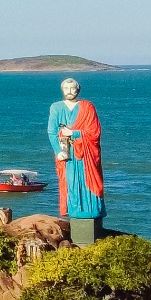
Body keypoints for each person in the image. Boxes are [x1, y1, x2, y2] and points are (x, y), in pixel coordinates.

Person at [46, 78, 105, 243]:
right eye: (66, 88)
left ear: (78, 90)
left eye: (73, 88)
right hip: (68, 155)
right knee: (71, 183)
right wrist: (58, 151)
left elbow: (94, 132)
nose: (70, 91)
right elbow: (51, 132)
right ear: (62, 89)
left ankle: (92, 211)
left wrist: (74, 133)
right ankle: (76, 211)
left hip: (87, 156)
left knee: (90, 183)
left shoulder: (87, 107)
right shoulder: (56, 107)